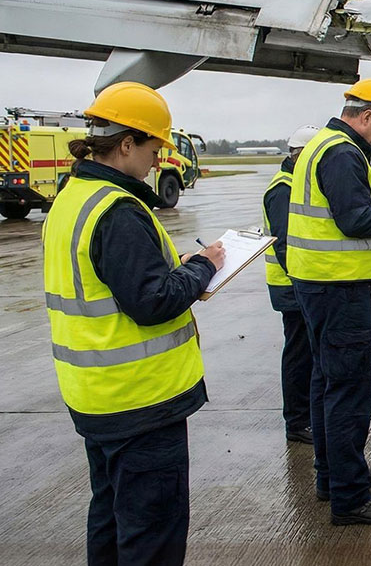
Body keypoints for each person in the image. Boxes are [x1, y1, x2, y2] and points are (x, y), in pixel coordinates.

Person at [44, 82, 226, 565]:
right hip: (140, 400)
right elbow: (151, 302)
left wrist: (178, 265)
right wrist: (202, 266)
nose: (156, 161)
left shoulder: (73, 197)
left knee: (110, 517)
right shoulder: (118, 210)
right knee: (152, 534)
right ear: (126, 143)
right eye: (152, 148)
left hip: (96, 395)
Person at [287, 79, 371, 526]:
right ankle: (351, 497)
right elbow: (354, 220)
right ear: (366, 116)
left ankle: (332, 476)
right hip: (338, 290)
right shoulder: (344, 153)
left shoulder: (319, 145)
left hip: (316, 286)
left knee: (326, 383)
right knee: (349, 392)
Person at [263, 124, 321, 444]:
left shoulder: (296, 182)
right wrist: (300, 281)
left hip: (299, 281)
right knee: (299, 353)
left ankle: (305, 416)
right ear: (300, 156)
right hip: (291, 284)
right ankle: (297, 421)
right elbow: (284, 242)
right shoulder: (283, 189)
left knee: (307, 352)